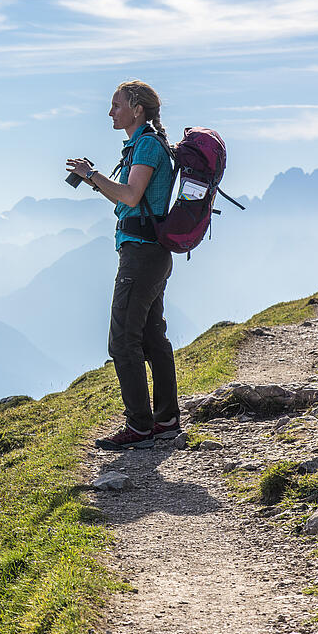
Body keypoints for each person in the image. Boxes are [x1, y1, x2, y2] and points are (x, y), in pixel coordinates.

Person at [67, 80, 181, 450]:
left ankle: (139, 427)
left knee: (123, 341)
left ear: (137, 109)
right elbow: (132, 196)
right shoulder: (146, 144)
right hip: (152, 252)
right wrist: (95, 179)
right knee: (151, 337)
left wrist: (90, 175)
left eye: (116, 105)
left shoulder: (147, 145)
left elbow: (130, 196)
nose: (111, 112)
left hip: (142, 254)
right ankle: (165, 419)